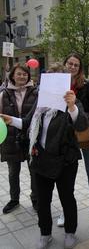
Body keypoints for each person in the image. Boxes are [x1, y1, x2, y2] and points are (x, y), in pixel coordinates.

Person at [0, 62, 89, 249]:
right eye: (50, 79)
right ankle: (45, 233)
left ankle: (70, 232)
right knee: (43, 200)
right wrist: (11, 121)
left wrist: (72, 107)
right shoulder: (41, 104)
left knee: (67, 198)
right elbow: (27, 122)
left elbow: (81, 125)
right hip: (41, 159)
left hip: (66, 161)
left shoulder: (72, 103)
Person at [56, 53, 89, 227]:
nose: (72, 67)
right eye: (70, 63)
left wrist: (88, 121)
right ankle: (65, 210)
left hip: (85, 133)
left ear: (80, 68)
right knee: (65, 176)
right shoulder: (58, 84)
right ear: (65, 64)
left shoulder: (87, 85)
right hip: (65, 136)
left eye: (76, 65)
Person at [0, 63, 38, 214]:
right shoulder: (3, 94)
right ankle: (14, 199)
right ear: (12, 76)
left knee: (34, 171)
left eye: (24, 74)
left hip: (31, 138)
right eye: (19, 74)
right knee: (13, 172)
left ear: (28, 76)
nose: (22, 76)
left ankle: (35, 199)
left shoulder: (36, 93)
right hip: (10, 139)